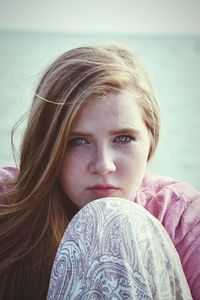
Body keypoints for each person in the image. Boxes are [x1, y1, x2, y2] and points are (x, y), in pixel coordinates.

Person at [0, 44, 199, 299]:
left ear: (151, 138)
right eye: (77, 141)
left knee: (112, 219)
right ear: (47, 144)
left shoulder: (181, 217)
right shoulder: (7, 206)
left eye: (124, 138)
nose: (104, 165)